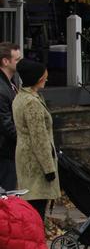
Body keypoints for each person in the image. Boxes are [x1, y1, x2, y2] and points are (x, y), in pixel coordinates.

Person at [12, 60, 58, 220]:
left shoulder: (21, 97)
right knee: (36, 209)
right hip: (35, 163)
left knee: (31, 207)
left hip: (26, 157)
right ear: (37, 78)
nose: (46, 79)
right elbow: (39, 139)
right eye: (44, 76)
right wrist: (49, 169)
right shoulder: (31, 103)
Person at [0, 42, 22, 191]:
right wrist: (24, 138)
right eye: (17, 60)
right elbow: (5, 124)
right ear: (5, 61)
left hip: (9, 149)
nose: (20, 63)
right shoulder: (2, 88)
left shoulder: (10, 84)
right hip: (4, 151)